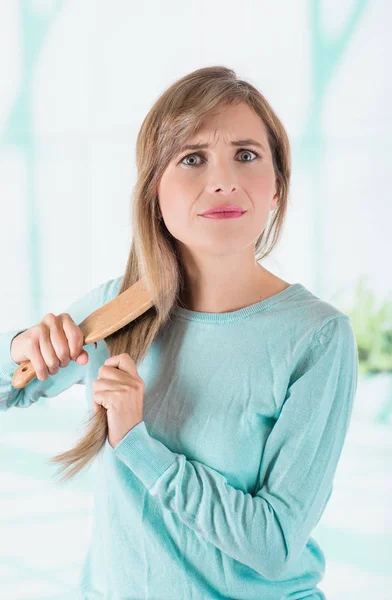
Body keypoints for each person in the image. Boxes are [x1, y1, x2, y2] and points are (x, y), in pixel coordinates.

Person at [0, 66, 359, 599]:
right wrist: (20, 349)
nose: (223, 180)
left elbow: (275, 542)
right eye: (192, 158)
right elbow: (13, 387)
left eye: (247, 155)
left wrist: (136, 442)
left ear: (277, 186)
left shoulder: (317, 337)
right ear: (154, 192)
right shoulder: (116, 308)